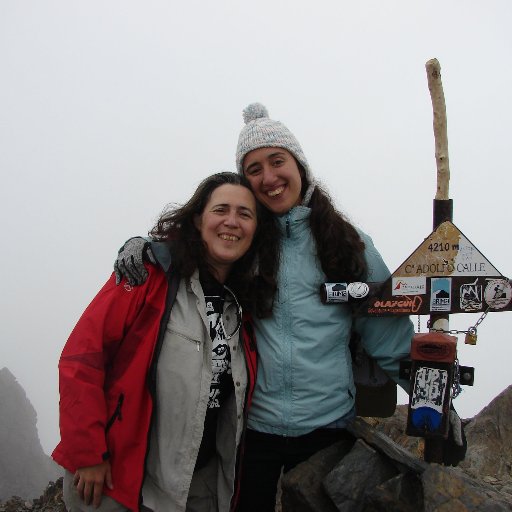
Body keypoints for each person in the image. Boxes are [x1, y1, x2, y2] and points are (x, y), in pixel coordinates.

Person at [114, 104, 466, 511]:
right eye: (254, 169)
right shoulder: (245, 242)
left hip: (329, 425)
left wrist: (436, 400)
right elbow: (197, 250)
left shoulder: (348, 244)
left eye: (277, 161)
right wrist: (147, 250)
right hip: (252, 430)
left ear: (299, 164)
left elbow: (386, 333)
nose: (269, 178)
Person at [52, 172, 278, 512]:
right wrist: (86, 454)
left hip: (198, 483)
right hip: (119, 479)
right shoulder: (148, 274)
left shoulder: (245, 303)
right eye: (221, 209)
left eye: (245, 214)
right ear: (198, 218)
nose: (232, 222)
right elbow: (83, 359)